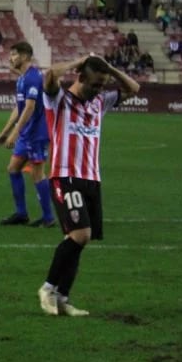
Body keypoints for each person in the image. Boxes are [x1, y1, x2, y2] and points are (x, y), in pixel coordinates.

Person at [37, 55, 140, 317]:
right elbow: (49, 75)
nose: (99, 90)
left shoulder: (99, 102)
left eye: (102, 85)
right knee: (80, 235)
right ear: (80, 77)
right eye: (95, 84)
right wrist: (80, 61)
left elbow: (133, 89)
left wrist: (110, 69)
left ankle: (63, 297)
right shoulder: (59, 99)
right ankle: (48, 288)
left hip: (91, 178)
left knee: (79, 240)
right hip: (65, 175)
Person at [0, 42, 55, 228]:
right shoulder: (22, 79)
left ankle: (48, 217)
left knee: (37, 174)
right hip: (26, 133)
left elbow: (30, 107)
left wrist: (15, 133)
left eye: (14, 55)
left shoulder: (33, 77)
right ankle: (21, 213)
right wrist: (4, 132)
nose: (11, 58)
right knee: (13, 168)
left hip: (37, 133)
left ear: (25, 56)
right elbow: (19, 108)